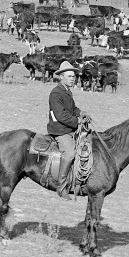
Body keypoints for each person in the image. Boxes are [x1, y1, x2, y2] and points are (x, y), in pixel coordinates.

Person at [47, 60, 91, 199]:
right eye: (70, 76)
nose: (73, 79)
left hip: (68, 127)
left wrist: (81, 113)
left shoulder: (67, 91)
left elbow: (72, 109)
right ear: (61, 77)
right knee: (70, 152)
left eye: (74, 76)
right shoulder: (56, 93)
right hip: (60, 129)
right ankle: (61, 186)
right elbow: (61, 115)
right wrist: (76, 121)